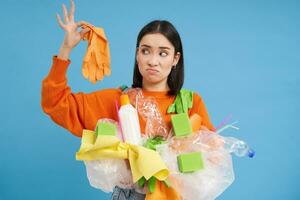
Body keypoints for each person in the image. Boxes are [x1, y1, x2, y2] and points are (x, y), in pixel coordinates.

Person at [41, 0, 215, 199]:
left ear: (175, 59)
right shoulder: (119, 101)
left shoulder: (191, 103)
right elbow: (55, 103)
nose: (152, 60)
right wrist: (66, 49)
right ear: (137, 54)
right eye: (145, 50)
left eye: (163, 53)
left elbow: (212, 156)